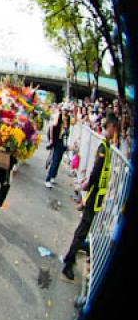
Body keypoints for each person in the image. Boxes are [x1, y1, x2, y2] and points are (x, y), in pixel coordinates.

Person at [61, 114, 118, 280]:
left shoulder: (106, 146)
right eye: (115, 128)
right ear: (110, 127)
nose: (116, 131)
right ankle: (68, 264)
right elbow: (95, 174)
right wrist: (85, 193)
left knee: (82, 230)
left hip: (96, 197)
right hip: (93, 197)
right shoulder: (103, 147)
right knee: (81, 232)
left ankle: (68, 259)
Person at [45, 107, 69, 188]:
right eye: (65, 110)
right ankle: (47, 179)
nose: (66, 111)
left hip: (61, 140)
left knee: (58, 160)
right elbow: (52, 127)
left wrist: (75, 112)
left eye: (68, 110)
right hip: (56, 140)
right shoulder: (59, 116)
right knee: (55, 160)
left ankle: (52, 176)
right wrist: (51, 140)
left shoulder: (67, 118)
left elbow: (74, 122)